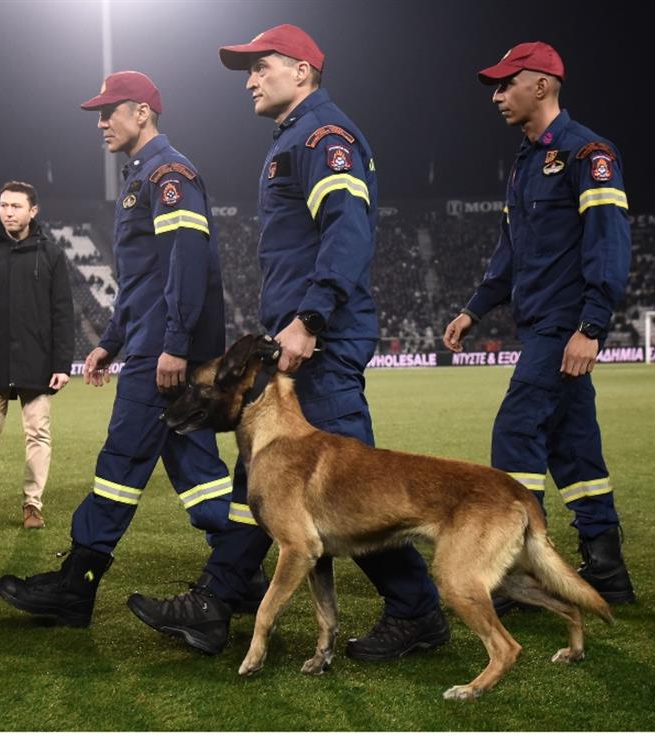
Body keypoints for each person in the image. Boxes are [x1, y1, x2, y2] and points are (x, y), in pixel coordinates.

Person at [127, 25, 449, 660]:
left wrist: (310, 317)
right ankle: (220, 599)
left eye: (261, 68)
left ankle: (416, 612)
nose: (249, 80)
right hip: (299, 341)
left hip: (318, 345)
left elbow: (347, 230)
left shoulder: (324, 137)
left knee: (358, 494)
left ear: (302, 72)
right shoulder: (297, 138)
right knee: (260, 478)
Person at [0, 71, 243, 628]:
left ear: (142, 113)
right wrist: (110, 341)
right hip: (157, 345)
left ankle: (77, 585)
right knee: (195, 464)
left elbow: (186, 262)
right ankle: (239, 569)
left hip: (164, 353)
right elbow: (143, 281)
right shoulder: (145, 176)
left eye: (110, 112)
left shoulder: (169, 172)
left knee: (121, 461)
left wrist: (173, 345)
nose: (101, 123)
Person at [443, 41, 635, 608]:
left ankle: (515, 570)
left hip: (563, 325)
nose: (498, 95)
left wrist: (592, 326)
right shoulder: (527, 162)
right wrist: (474, 308)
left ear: (543, 85)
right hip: (540, 323)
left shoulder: (588, 153)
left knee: (515, 431)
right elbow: (510, 253)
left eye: (507, 84)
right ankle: (606, 568)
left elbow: (609, 243)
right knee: (574, 449)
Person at [0, 181, 75, 530]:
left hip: (37, 361)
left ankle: (32, 505)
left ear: (33, 211)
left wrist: (61, 364)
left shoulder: (52, 255)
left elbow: (63, 314)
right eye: (3, 205)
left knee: (38, 434)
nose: (8, 212)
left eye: (16, 206)